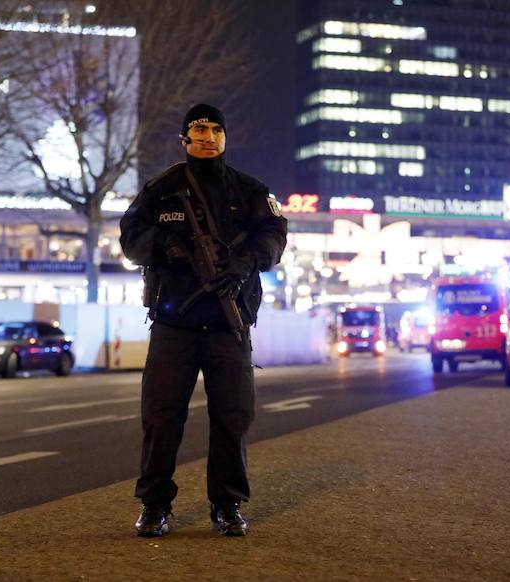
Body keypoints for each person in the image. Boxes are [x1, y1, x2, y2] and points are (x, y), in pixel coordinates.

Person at [119, 104, 287, 537]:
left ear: (225, 137)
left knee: (232, 417)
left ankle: (227, 505)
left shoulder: (250, 190)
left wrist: (245, 262)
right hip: (175, 324)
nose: (208, 136)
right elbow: (131, 236)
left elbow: (274, 234)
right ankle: (155, 506)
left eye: (215, 129)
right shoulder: (162, 189)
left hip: (228, 324)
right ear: (184, 138)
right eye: (199, 129)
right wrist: (166, 246)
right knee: (161, 417)